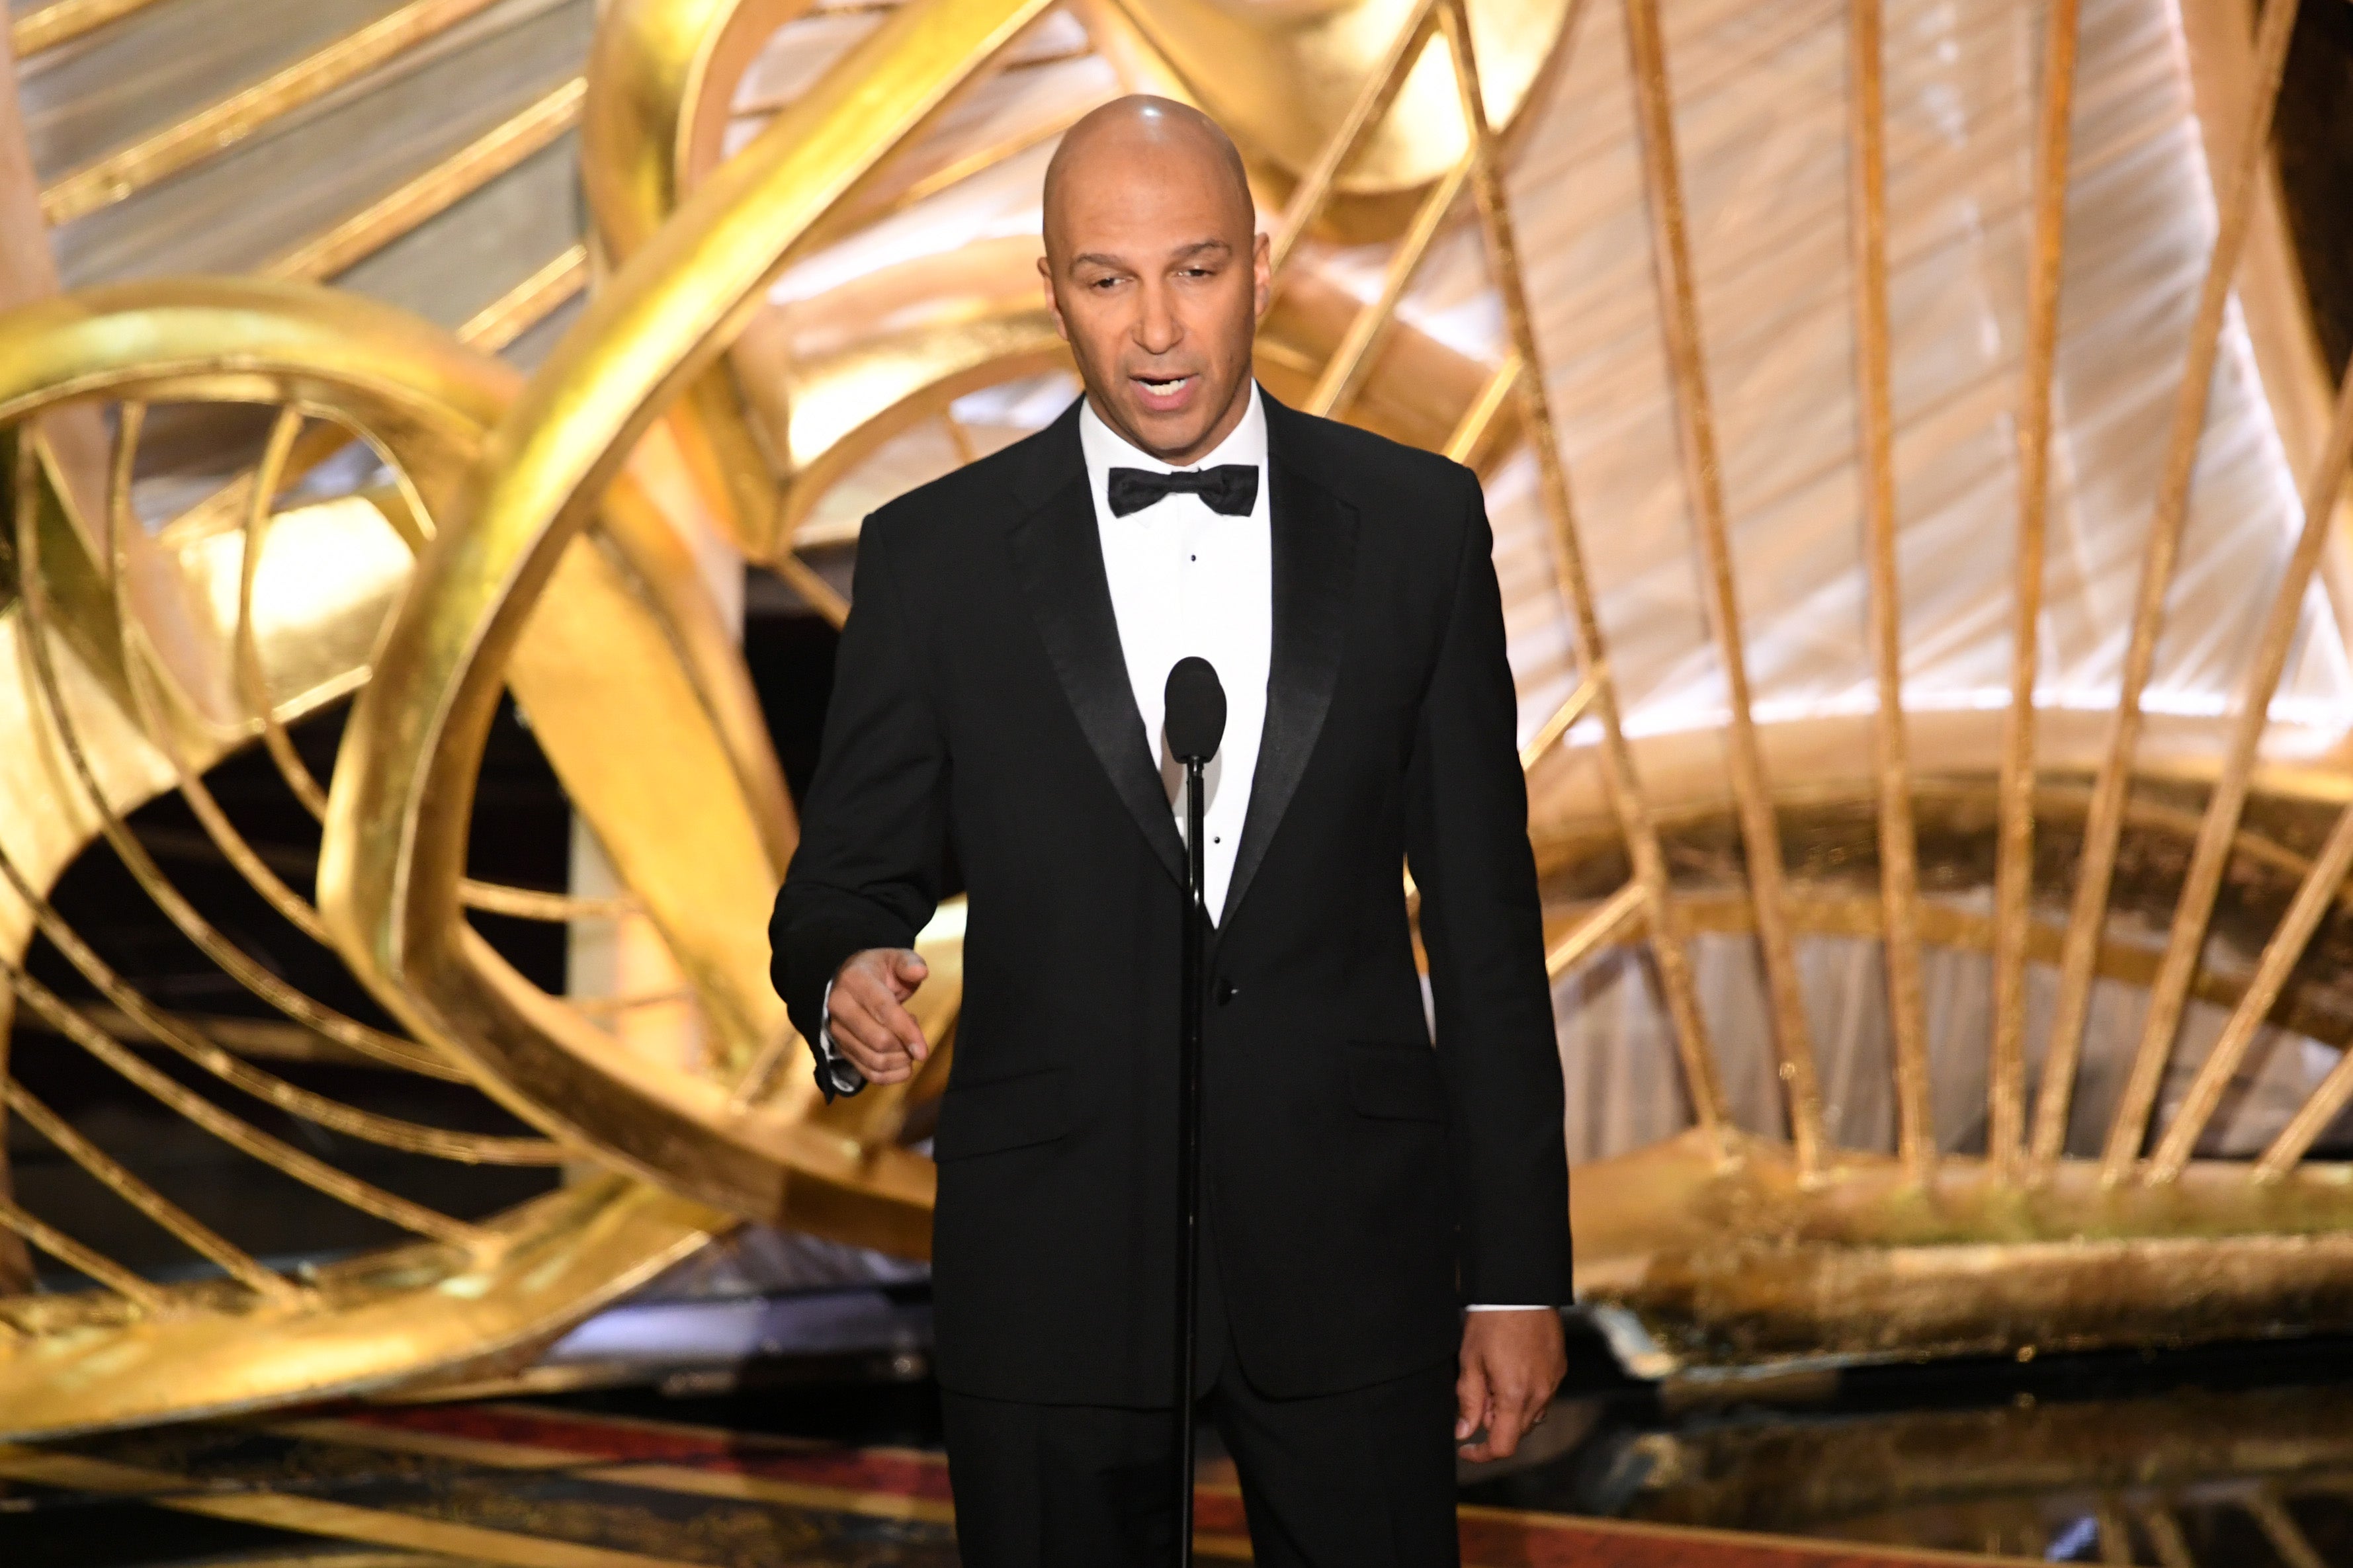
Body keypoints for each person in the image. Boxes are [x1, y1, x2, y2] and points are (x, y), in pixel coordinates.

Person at [770, 94, 1570, 1567]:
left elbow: (1485, 917)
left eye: (1196, 271)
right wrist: (841, 978)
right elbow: (841, 881)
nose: (1155, 329)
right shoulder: (935, 559)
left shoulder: (1416, 526)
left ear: (1262, 266)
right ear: (1051, 289)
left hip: (1354, 1253)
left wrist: (1517, 1273)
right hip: (1051, 1258)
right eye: (1107, 278)